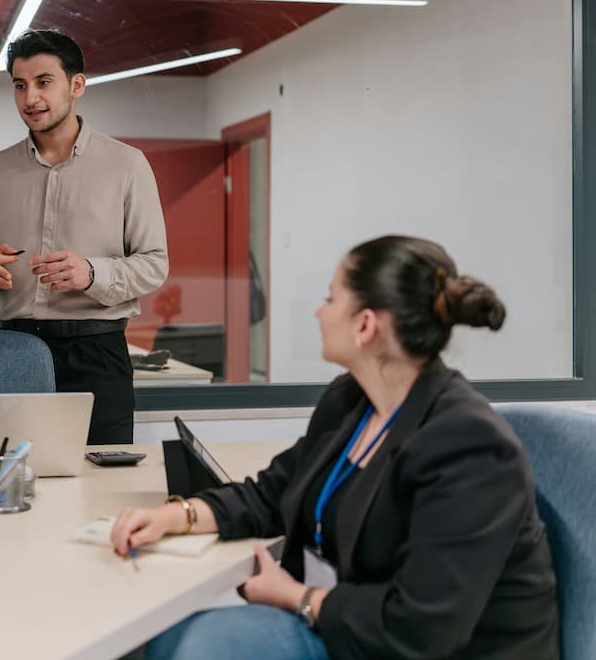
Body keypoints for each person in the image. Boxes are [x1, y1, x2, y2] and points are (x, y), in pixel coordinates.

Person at [110, 235, 558, 660]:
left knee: (195, 648)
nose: (319, 313)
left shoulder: (468, 446)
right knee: (162, 639)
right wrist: (176, 516)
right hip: (352, 627)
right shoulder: (352, 401)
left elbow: (423, 628)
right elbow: (273, 492)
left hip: (428, 650)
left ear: (365, 325)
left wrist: (295, 597)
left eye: (330, 299)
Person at [0, 29, 168, 444]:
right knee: (10, 483)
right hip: (13, 352)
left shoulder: (127, 165)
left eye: (43, 82)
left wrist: (92, 273)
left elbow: (155, 264)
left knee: (101, 486)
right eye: (20, 86)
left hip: (97, 355)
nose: (30, 98)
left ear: (76, 85)